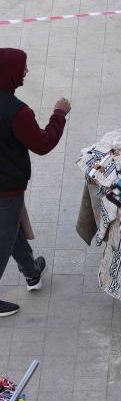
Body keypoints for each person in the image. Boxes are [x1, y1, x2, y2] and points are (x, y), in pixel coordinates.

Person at [0, 48, 71, 317]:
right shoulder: (18, 113)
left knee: (13, 230)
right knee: (3, 240)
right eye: (23, 67)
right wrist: (59, 115)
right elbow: (42, 144)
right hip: (6, 189)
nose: (26, 71)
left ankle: (32, 273)